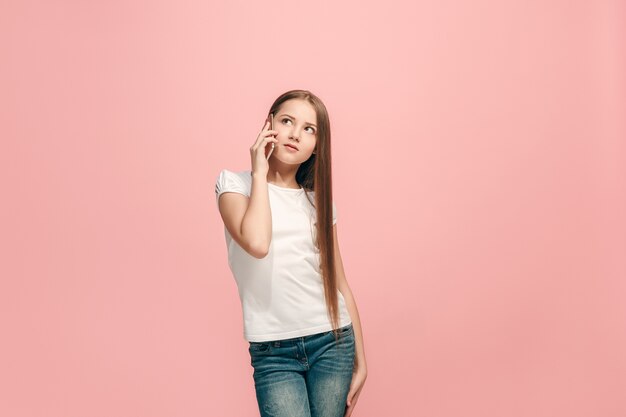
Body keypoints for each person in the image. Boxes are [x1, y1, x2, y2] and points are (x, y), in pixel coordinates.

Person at [214, 89, 367, 417]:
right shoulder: (234, 186)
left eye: (309, 129)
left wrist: (362, 359)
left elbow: (339, 281)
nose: (296, 134)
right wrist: (259, 172)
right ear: (268, 125)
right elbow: (257, 243)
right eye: (287, 121)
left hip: (332, 342)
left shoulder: (318, 202)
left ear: (317, 146)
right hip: (274, 352)